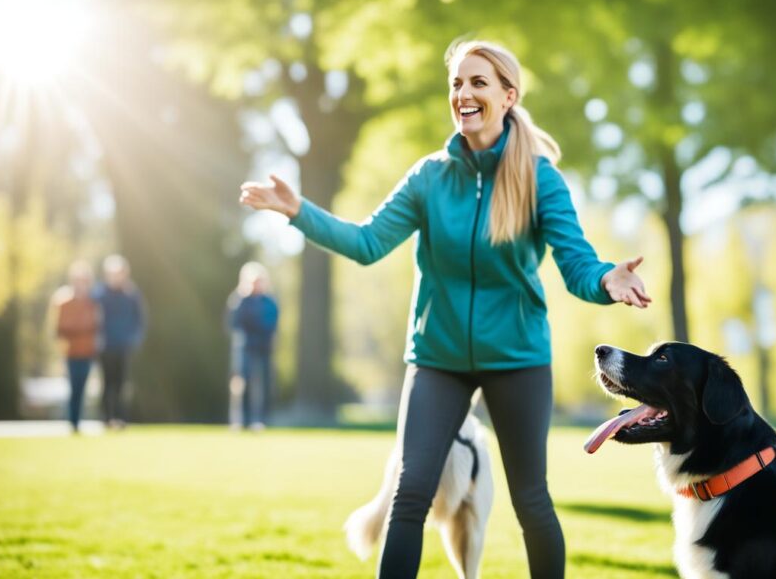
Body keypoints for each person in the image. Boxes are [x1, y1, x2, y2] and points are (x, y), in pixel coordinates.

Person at [240, 39, 651, 579]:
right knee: (410, 493)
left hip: (518, 357)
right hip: (438, 357)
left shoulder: (538, 178)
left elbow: (576, 264)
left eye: (478, 82)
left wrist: (606, 279)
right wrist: (298, 211)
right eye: (456, 83)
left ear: (508, 96)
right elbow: (366, 242)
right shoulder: (429, 177)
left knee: (532, 501)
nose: (464, 94)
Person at [94, 254, 146, 430]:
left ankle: (121, 418)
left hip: (123, 346)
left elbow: (140, 319)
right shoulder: (100, 294)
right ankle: (106, 419)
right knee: (107, 384)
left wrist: (134, 338)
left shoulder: (131, 294)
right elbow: (93, 317)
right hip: (105, 345)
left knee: (121, 385)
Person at [52, 260, 101, 434]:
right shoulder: (64, 301)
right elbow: (60, 329)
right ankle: (73, 422)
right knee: (73, 387)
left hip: (87, 352)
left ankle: (78, 420)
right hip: (71, 352)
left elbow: (97, 326)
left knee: (82, 387)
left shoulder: (92, 302)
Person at [229, 262, 279, 431]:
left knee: (264, 385)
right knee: (244, 384)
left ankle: (263, 420)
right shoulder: (240, 301)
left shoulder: (270, 302)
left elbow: (271, 324)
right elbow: (235, 324)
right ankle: (242, 420)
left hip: (264, 348)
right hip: (246, 348)